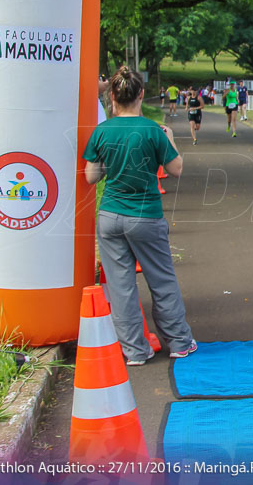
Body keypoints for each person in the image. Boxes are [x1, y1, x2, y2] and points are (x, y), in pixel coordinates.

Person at [83, 66, 197, 366]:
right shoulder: (152, 130)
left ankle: (135, 350)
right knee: (161, 280)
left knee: (121, 287)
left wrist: (112, 160)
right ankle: (179, 342)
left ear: (112, 97)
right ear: (141, 95)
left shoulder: (102, 130)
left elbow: (91, 176)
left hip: (110, 215)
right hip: (146, 216)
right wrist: (170, 138)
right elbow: (176, 169)